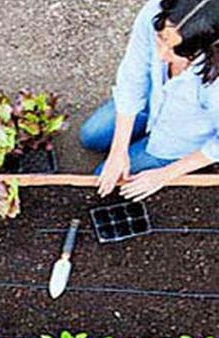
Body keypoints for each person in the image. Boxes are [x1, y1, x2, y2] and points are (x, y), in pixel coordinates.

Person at [80, 0, 219, 201]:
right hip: (152, 102)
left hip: (180, 136)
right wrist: (119, 150)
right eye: (160, 39)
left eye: (176, 51)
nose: (161, 55)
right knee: (90, 136)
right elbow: (133, 75)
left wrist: (165, 174)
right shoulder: (156, 13)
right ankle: (137, 134)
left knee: (102, 178)